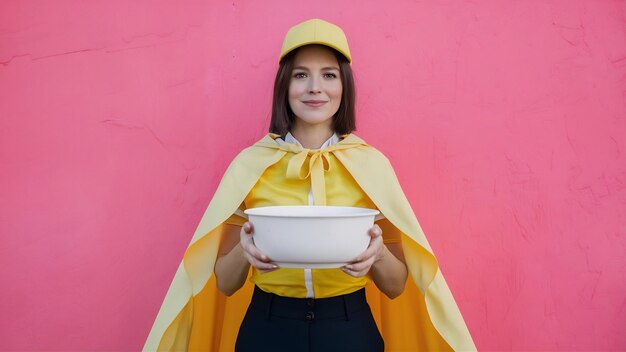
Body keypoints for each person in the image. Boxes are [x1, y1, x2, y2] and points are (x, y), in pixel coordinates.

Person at [143, 19, 476, 352]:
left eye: (328, 75)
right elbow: (226, 284)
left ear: (344, 86)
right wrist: (245, 251)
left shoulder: (371, 166)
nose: (315, 87)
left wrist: (378, 254)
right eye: (301, 75)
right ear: (284, 87)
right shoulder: (251, 165)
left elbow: (395, 285)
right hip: (268, 327)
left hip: (349, 327)